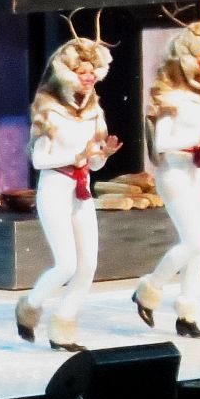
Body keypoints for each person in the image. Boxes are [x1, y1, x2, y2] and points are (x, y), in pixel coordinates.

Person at [13, 26, 118, 352]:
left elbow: (95, 163)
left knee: (88, 266)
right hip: (55, 188)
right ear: (67, 72)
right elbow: (40, 158)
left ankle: (63, 328)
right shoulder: (48, 109)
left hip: (81, 189)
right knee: (67, 264)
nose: (88, 77)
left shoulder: (94, 109)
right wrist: (78, 155)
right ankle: (29, 305)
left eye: (91, 71)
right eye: (81, 71)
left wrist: (101, 155)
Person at [133, 8, 200, 339]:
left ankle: (188, 314)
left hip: (194, 171)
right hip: (173, 173)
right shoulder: (169, 95)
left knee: (198, 247)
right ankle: (149, 288)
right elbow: (163, 142)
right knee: (194, 240)